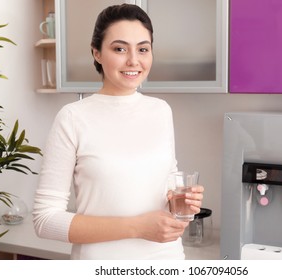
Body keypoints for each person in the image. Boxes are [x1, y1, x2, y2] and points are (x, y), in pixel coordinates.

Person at [33, 4, 204, 260]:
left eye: (143, 49)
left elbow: (164, 184)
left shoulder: (161, 110)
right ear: (97, 53)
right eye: (120, 49)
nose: (134, 60)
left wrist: (181, 201)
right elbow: (45, 220)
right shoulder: (73, 117)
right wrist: (137, 227)